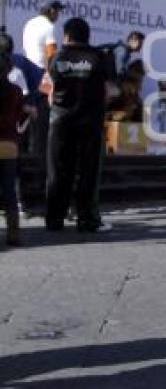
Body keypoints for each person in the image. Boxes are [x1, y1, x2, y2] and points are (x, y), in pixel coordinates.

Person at [44, 16, 111, 233]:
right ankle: (86, 219)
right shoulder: (99, 57)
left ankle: (54, 219)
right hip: (90, 122)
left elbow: (48, 92)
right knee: (88, 171)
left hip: (61, 122)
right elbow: (109, 91)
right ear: (87, 36)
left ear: (66, 36)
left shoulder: (55, 58)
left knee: (58, 171)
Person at [21, 0, 65, 205]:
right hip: (42, 76)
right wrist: (52, 82)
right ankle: (42, 176)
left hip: (29, 74)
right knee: (44, 128)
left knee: (31, 124)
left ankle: (32, 168)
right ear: (51, 11)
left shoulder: (29, 23)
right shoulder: (49, 26)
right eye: (58, 11)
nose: (59, 15)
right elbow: (52, 57)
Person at [0, 51, 33, 246]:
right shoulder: (15, 91)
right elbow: (21, 117)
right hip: (9, 145)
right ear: (9, 70)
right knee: (9, 192)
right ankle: (14, 234)